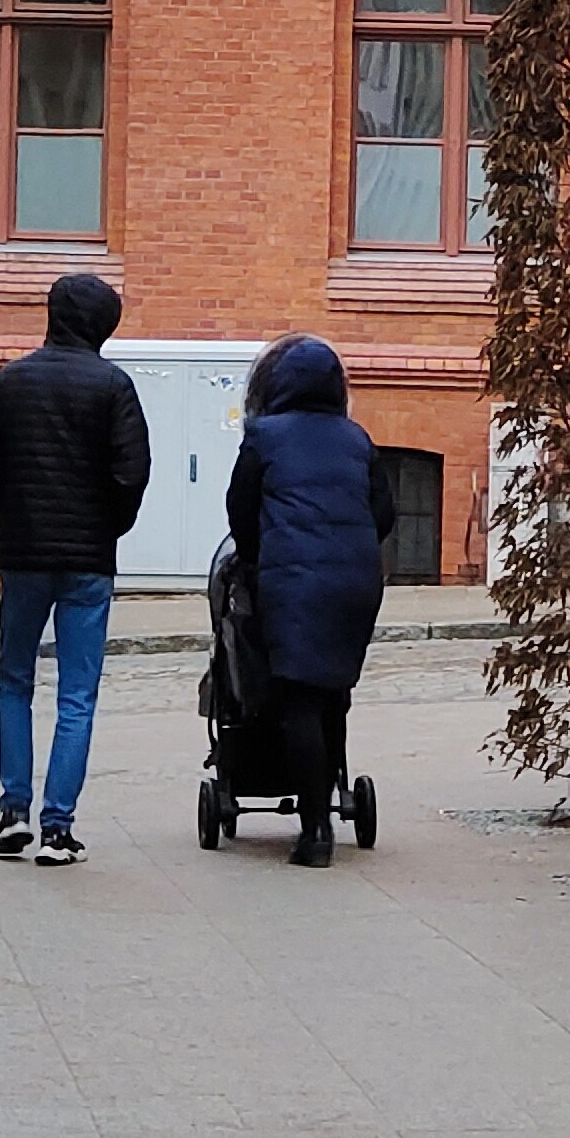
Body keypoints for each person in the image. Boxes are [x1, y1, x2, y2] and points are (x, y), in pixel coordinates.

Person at [0, 272, 151, 863]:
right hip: (88, 561)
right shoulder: (113, 386)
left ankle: (12, 811)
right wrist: (106, 528)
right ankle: (58, 828)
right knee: (77, 693)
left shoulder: (13, 380)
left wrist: (12, 517)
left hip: (24, 556)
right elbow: (132, 474)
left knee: (15, 679)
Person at [226, 334, 395, 867]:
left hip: (291, 580)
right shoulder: (356, 439)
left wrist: (256, 561)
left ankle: (315, 830)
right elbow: (384, 514)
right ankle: (329, 801)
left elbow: (241, 512)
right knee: (333, 694)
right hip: (355, 582)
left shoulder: (265, 436)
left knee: (298, 698)